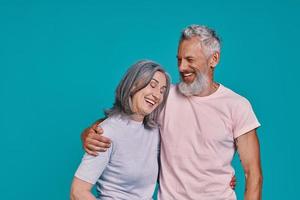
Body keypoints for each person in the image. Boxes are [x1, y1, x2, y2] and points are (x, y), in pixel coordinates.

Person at [82, 25, 262, 200]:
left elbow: (253, 174)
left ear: (213, 59)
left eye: (190, 60)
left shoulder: (237, 106)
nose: (182, 67)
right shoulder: (164, 98)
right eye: (179, 60)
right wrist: (90, 132)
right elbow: (124, 119)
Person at [70, 60, 171, 200]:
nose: (157, 95)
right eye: (152, 85)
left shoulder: (155, 132)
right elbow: (78, 192)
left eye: (162, 91)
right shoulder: (107, 132)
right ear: (133, 85)